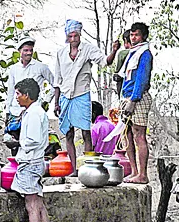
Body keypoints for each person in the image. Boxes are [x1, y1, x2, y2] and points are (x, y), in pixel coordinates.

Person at [53, 20, 117, 174]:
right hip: (65, 95)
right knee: (68, 132)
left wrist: (114, 51)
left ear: (80, 35)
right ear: (67, 37)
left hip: (82, 94)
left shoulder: (88, 49)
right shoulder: (61, 53)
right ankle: (74, 168)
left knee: (86, 131)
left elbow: (105, 62)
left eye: (76, 35)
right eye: (70, 36)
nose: (73, 38)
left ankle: (88, 168)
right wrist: (56, 102)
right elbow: (57, 79)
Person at [11, 78, 54, 222]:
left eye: (19, 94)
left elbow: (33, 140)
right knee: (40, 205)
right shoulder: (33, 112)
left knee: (32, 206)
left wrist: (17, 142)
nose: (17, 98)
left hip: (30, 162)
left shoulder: (35, 113)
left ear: (27, 95)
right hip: (35, 161)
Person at [5, 37, 55, 155]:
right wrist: (7, 111)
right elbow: (11, 91)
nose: (28, 53)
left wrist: (46, 100)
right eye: (26, 50)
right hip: (16, 111)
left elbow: (56, 84)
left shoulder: (41, 67)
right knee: (15, 144)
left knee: (32, 140)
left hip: (33, 110)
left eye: (31, 50)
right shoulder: (13, 69)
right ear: (19, 51)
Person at [119, 22, 154, 184]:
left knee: (139, 135)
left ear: (143, 36)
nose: (134, 38)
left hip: (137, 98)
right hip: (126, 97)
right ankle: (134, 171)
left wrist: (133, 100)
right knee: (127, 135)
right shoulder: (132, 53)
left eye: (137, 35)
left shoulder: (145, 54)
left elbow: (141, 79)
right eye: (132, 35)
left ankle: (142, 174)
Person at [113, 30, 132, 95]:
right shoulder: (142, 53)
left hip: (125, 89)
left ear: (126, 40)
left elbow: (118, 72)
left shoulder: (122, 54)